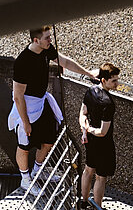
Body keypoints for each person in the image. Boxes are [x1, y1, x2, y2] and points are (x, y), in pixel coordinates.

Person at [10, 25, 86, 184]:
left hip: (42, 102)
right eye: (47, 38)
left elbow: (63, 61)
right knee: (24, 146)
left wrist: (87, 73)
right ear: (36, 40)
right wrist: (25, 122)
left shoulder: (46, 49)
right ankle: (25, 179)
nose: (50, 40)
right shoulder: (23, 62)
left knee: (48, 140)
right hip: (27, 106)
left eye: (50, 37)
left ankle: (38, 170)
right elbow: (18, 96)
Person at [79, 62, 120, 206]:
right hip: (103, 144)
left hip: (91, 141)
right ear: (104, 80)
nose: (117, 84)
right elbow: (103, 132)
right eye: (113, 81)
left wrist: (85, 130)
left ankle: (83, 203)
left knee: (88, 170)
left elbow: (83, 114)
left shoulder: (90, 91)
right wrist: (89, 130)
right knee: (101, 177)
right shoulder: (108, 103)